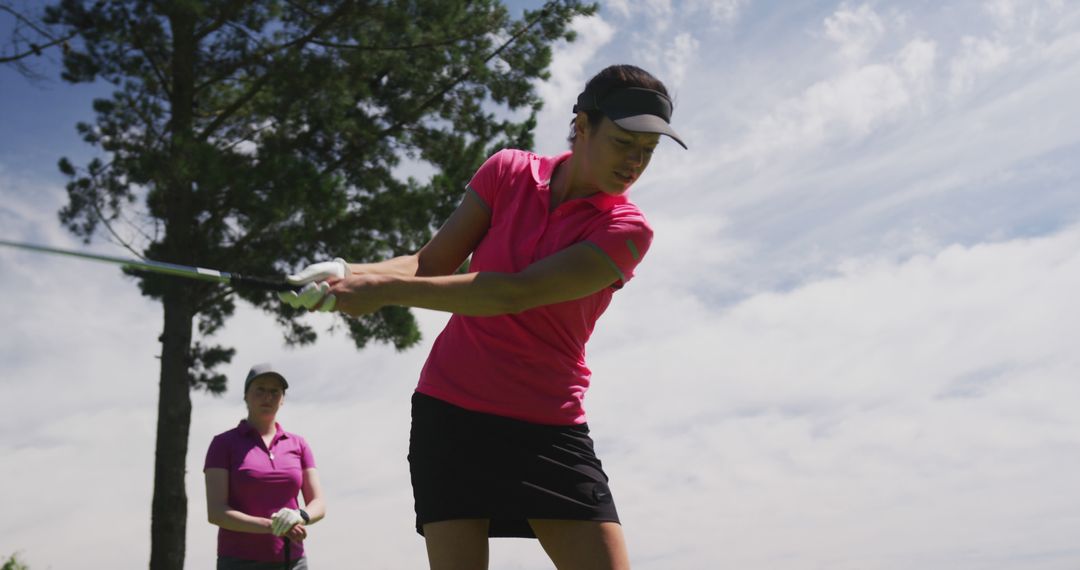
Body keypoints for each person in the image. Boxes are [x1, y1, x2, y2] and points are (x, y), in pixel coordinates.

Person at [281, 64, 686, 570]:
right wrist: (346, 271)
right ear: (582, 125)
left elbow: (515, 293)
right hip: (450, 414)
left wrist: (382, 289)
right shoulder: (508, 172)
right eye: (624, 142)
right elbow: (430, 263)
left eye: (646, 153)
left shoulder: (626, 230)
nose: (634, 163)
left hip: (547, 426)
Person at [204, 363, 326, 569]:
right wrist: (273, 526)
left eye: (274, 391)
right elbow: (216, 512)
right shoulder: (223, 444)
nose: (267, 397)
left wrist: (300, 516)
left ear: (282, 399)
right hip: (239, 561)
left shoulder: (299, 444)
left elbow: (318, 503)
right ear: (246, 395)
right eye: (260, 389)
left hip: (292, 561)